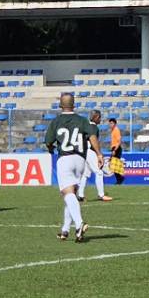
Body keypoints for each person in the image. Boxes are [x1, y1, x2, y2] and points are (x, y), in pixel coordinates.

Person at [46, 94, 90, 242]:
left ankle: (79, 224)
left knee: (67, 193)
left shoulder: (56, 121)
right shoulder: (82, 120)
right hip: (80, 159)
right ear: (74, 104)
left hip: (65, 158)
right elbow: (92, 136)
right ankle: (65, 230)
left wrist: (50, 148)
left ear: (60, 105)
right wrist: (99, 154)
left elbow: (48, 141)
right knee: (71, 196)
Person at [83, 110, 112, 202]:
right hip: (89, 150)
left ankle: (80, 195)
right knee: (99, 172)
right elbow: (93, 140)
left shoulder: (86, 125)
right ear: (95, 117)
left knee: (85, 174)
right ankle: (101, 195)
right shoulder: (93, 127)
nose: (100, 119)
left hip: (83, 150)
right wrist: (99, 153)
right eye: (99, 117)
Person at [107, 115, 125, 185]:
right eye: (110, 123)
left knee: (114, 165)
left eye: (111, 123)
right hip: (114, 148)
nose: (110, 125)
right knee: (113, 165)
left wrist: (115, 150)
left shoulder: (116, 130)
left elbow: (119, 141)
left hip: (116, 148)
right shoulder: (113, 131)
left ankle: (120, 179)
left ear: (115, 124)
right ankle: (120, 179)